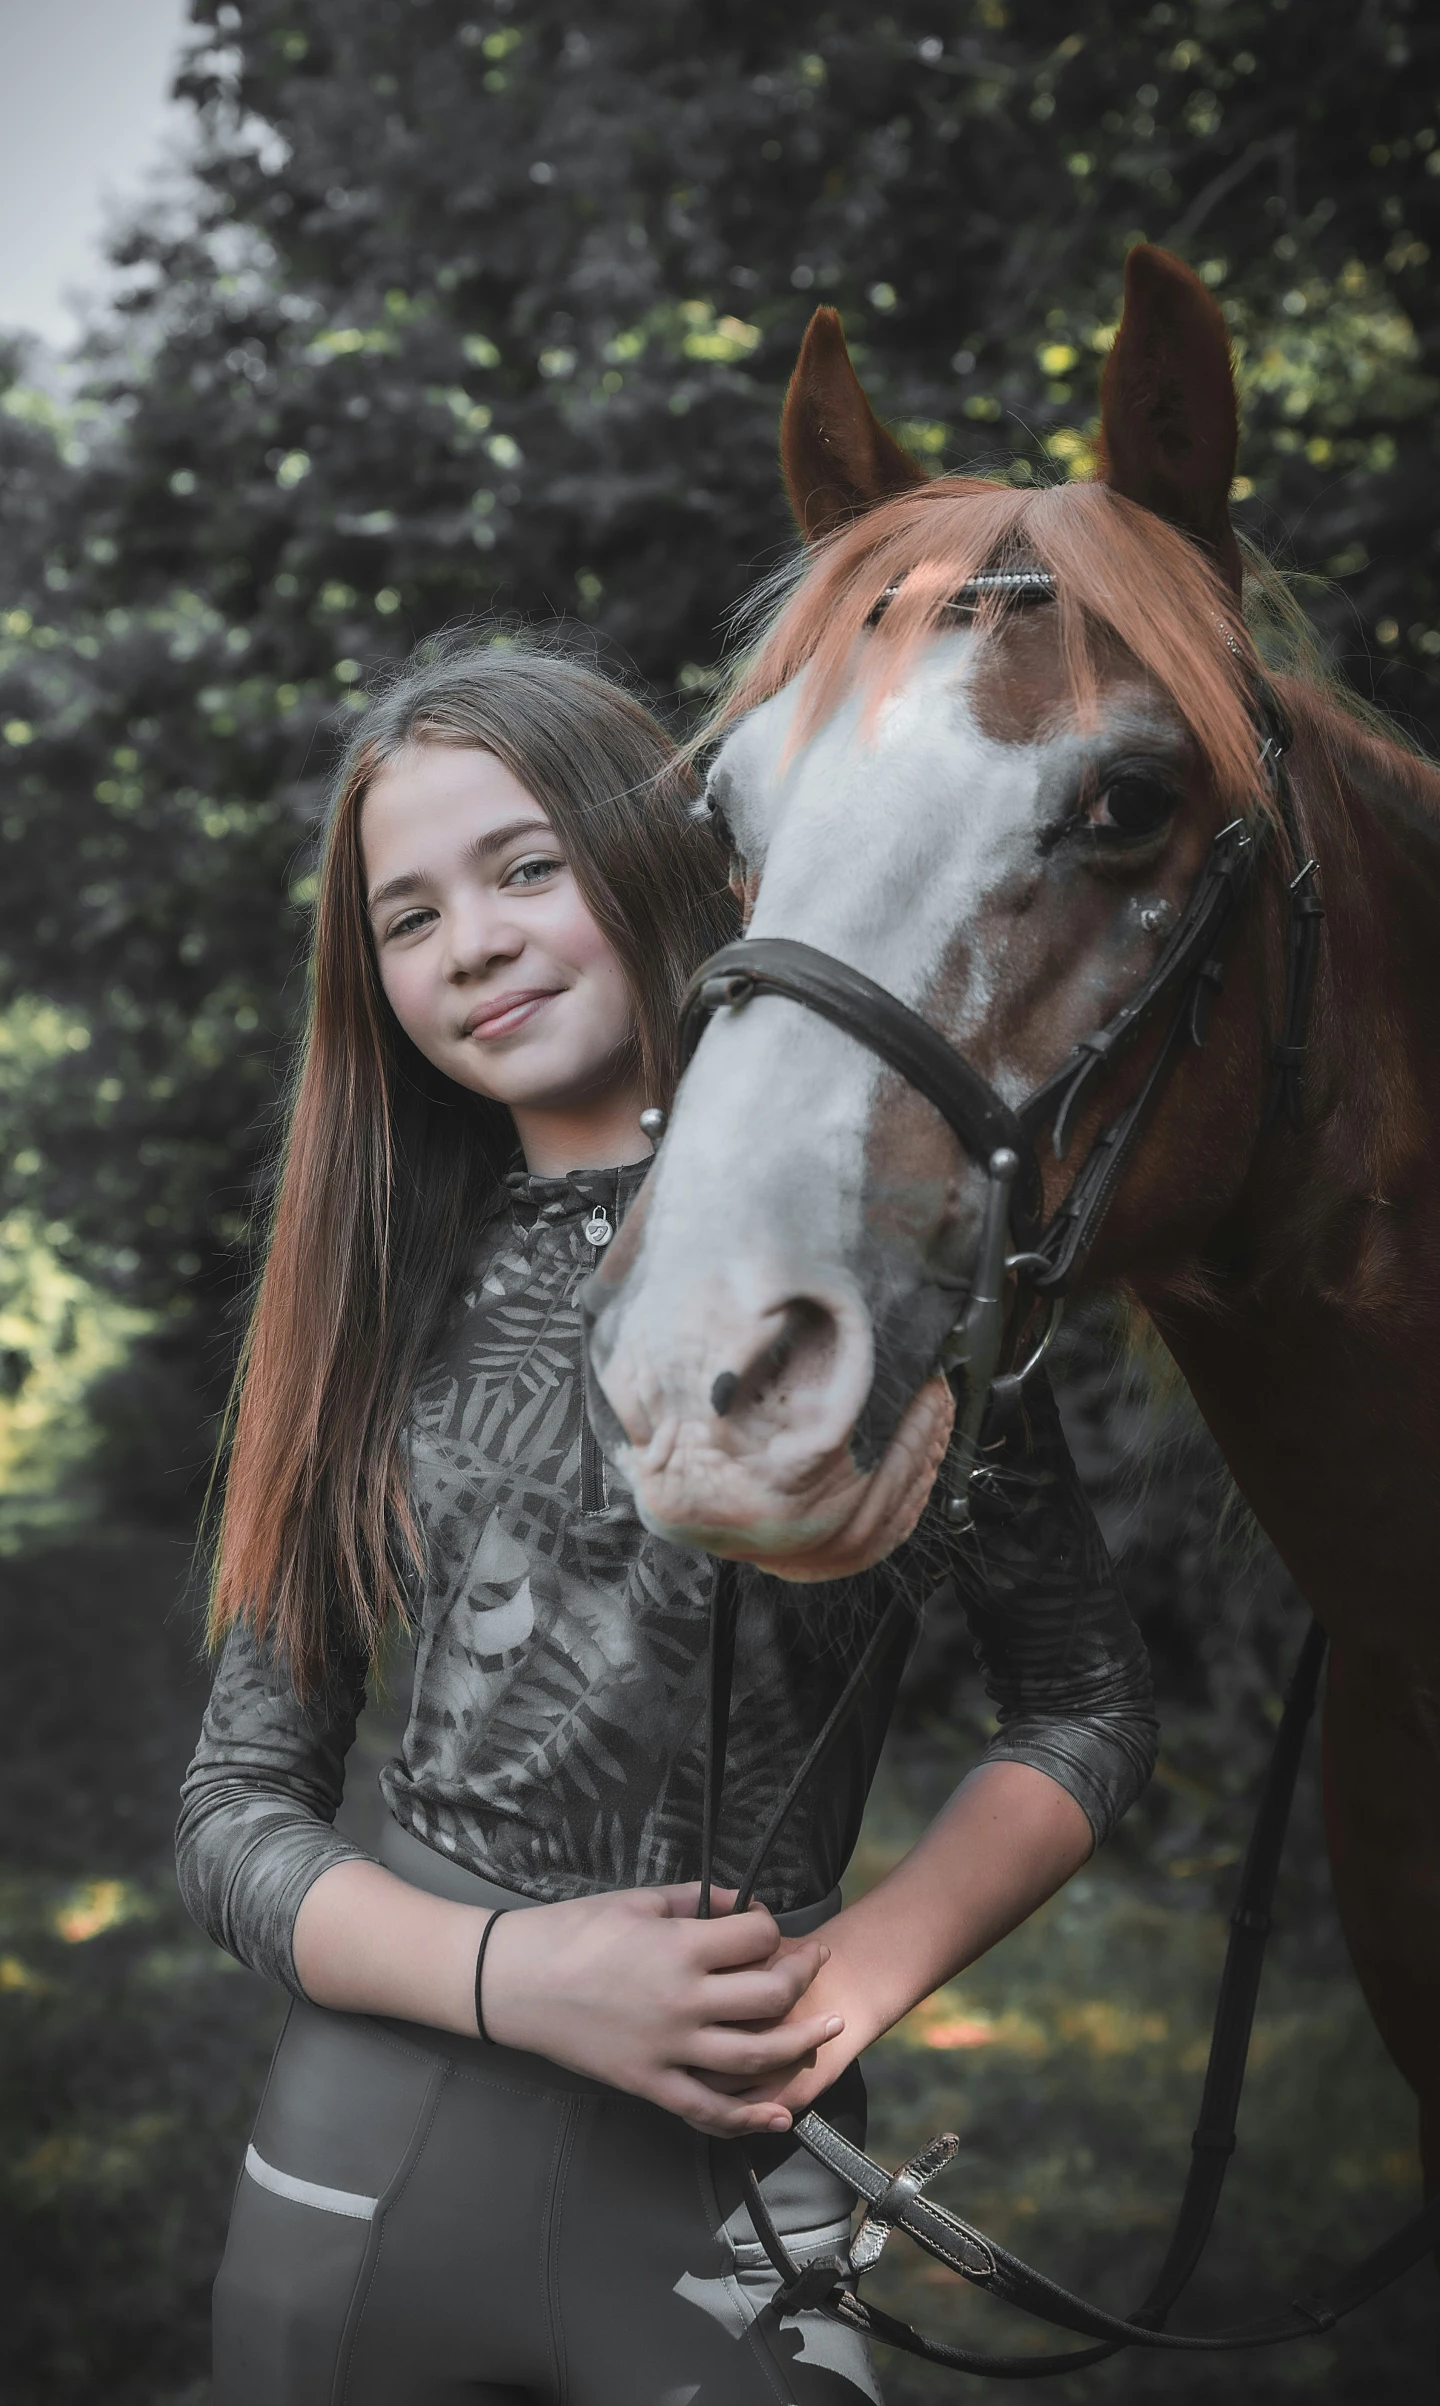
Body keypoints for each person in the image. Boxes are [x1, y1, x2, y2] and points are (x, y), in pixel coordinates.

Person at [177, 630, 1158, 2405]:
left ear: (666, 860)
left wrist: (864, 1967)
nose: (469, 938)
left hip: (746, 2176)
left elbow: (1084, 1696)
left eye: (523, 866)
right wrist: (511, 1972)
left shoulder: (883, 1284)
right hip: (365, 2169)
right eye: (407, 915)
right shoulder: (370, 1295)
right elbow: (236, 1807)